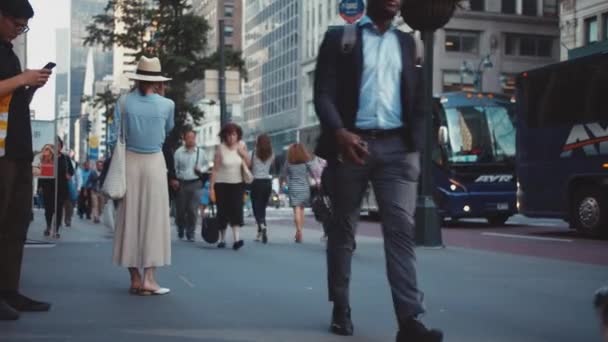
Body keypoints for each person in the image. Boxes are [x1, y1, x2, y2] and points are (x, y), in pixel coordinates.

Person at [314, 0, 443, 340]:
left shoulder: (406, 42)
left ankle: (409, 322)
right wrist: (340, 133)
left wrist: (414, 145)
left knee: (401, 233)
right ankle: (340, 307)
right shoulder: (341, 38)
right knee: (343, 231)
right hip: (351, 146)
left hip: (398, 150)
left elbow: (418, 98)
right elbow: (323, 94)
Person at [0, 0, 53, 320]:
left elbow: (11, 96)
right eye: (17, 25)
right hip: (2, 150)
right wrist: (22, 79)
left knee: (17, 222)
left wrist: (29, 86)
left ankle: (9, 291)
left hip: (18, 146)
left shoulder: (8, 52)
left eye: (24, 27)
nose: (19, 31)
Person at [110, 56, 174, 296]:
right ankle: (150, 277)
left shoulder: (124, 102)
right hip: (155, 163)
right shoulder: (167, 104)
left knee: (129, 220)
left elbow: (116, 134)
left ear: (137, 78)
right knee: (154, 221)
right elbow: (167, 130)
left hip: (129, 162)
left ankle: (135, 277)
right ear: (158, 81)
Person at [209, 123, 250, 250]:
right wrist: (211, 187)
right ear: (225, 136)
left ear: (238, 135)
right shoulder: (220, 149)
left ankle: (237, 239)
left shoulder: (242, 146)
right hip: (222, 184)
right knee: (223, 211)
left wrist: (243, 153)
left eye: (234, 135)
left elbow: (248, 163)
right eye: (229, 135)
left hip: (237, 183)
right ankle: (222, 239)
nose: (231, 138)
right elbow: (215, 170)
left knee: (236, 210)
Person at [172, 129, 207, 241]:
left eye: (193, 137)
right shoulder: (178, 152)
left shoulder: (201, 153)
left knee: (192, 209)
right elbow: (174, 168)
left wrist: (200, 169)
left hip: (195, 182)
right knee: (180, 210)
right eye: (188, 137)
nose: (191, 140)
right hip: (181, 183)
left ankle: (191, 232)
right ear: (184, 139)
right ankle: (181, 227)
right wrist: (175, 179)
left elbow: (207, 166)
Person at [34, 141, 73, 238]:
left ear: (61, 146)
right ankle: (48, 226)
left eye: (59, 146)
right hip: (48, 186)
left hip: (61, 187)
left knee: (59, 209)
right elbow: (42, 171)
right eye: (55, 146)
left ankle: (57, 229)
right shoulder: (48, 157)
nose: (57, 147)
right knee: (49, 208)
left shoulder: (65, 158)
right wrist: (40, 186)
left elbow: (71, 170)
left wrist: (69, 175)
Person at [281, 143, 313, 243]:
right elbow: (313, 172)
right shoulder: (306, 162)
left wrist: (282, 182)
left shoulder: (288, 162)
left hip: (294, 188)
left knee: (296, 210)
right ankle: (300, 231)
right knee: (302, 209)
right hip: (304, 187)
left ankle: (298, 230)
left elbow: (283, 174)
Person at [249, 134, 274, 243]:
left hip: (256, 182)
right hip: (267, 182)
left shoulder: (253, 153)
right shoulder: (271, 154)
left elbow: (249, 166)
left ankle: (261, 226)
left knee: (256, 207)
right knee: (262, 208)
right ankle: (261, 230)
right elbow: (271, 166)